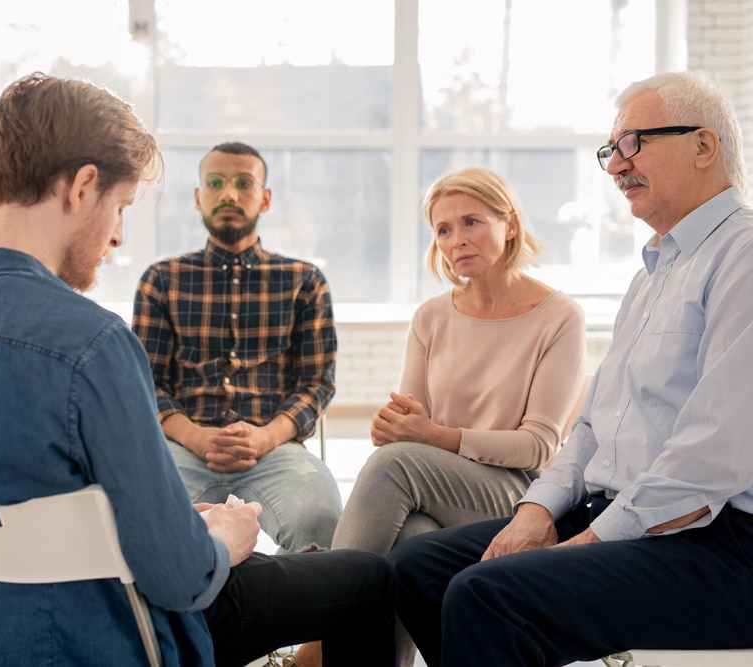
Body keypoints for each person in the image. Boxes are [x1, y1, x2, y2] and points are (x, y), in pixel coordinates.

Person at [0, 73, 394, 667]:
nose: (116, 236)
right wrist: (224, 538)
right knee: (370, 578)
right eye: (120, 208)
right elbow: (182, 580)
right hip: (113, 636)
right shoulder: (90, 343)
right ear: (83, 187)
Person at [388, 70, 753, 667]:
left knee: (488, 594)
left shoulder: (744, 257)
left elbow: (710, 456)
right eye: (611, 150)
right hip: (622, 510)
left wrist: (587, 544)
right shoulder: (653, 272)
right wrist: (536, 513)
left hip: (718, 541)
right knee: (416, 567)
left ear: (704, 145)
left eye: (632, 143)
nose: (614, 166)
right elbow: (590, 425)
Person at [326, 167, 586, 666]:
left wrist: (429, 436)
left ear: (509, 224)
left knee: (394, 466)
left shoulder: (558, 316)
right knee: (412, 536)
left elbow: (538, 447)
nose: (455, 240)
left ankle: (318, 641)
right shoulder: (430, 317)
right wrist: (395, 426)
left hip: (522, 493)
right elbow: (412, 428)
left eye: (471, 222)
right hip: (442, 486)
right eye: (443, 230)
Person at [131, 142, 342, 553]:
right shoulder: (161, 279)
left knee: (323, 521)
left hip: (275, 446)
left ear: (264, 198)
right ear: (198, 198)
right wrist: (195, 437)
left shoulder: (304, 280)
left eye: (244, 183)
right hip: (181, 447)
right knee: (137, 521)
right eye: (215, 182)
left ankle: (288, 612)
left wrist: (265, 437)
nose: (228, 194)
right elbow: (143, 383)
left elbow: (317, 384)